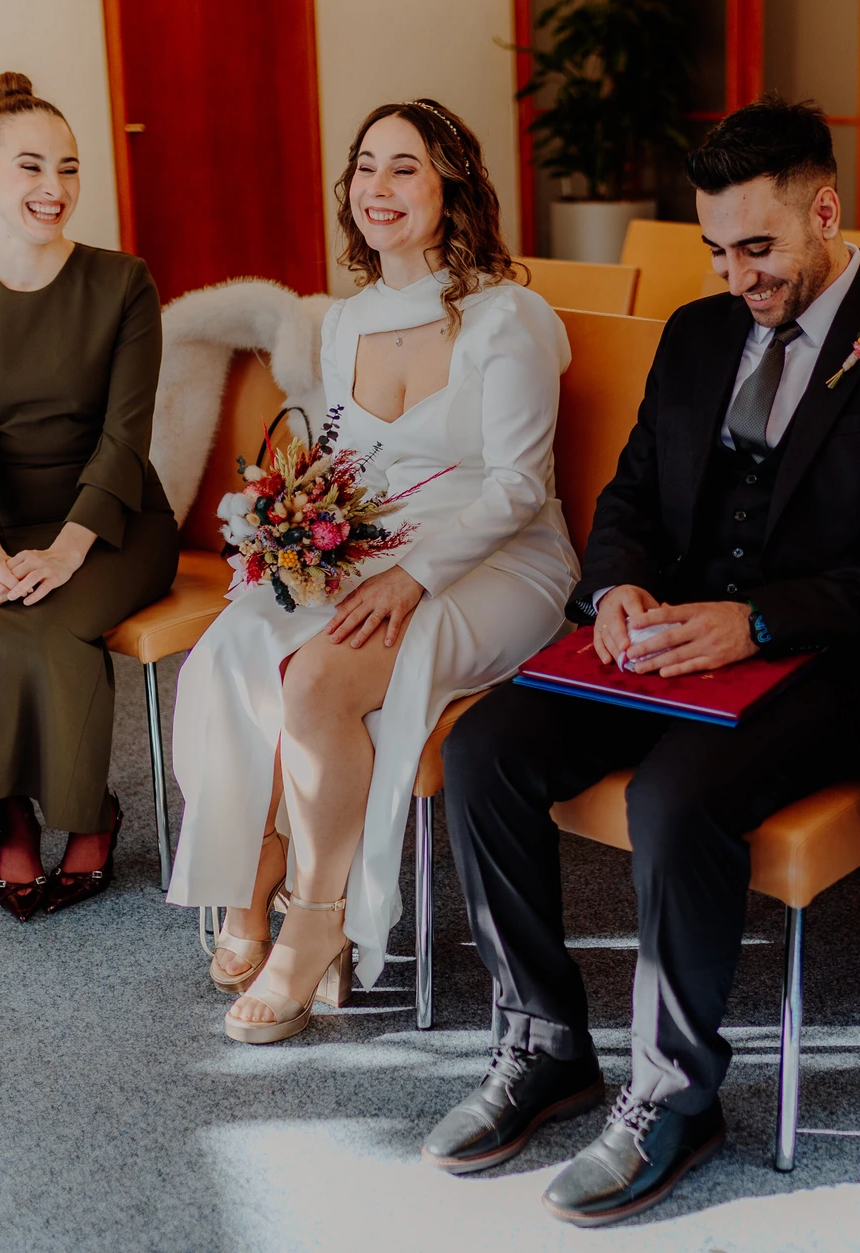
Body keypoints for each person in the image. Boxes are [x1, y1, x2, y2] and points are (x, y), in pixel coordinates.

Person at [425, 96, 860, 1226]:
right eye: (717, 250)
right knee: (486, 748)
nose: (737, 275)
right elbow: (630, 491)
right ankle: (544, 1041)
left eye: (760, 246)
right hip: (671, 633)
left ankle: (676, 1095)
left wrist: (760, 623)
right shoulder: (694, 334)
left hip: (838, 659)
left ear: (823, 212)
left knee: (675, 793)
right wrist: (618, 584)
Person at [164, 99, 579, 1045]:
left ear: (452, 188)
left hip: (501, 559)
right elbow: (349, 463)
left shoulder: (506, 317)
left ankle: (318, 925)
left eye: (405, 168)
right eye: (364, 168)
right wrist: (296, 543)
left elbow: (519, 487)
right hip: (380, 539)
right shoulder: (347, 320)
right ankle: (252, 870)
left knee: (316, 679)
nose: (377, 188)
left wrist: (414, 578)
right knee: (233, 643)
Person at [0, 72, 179, 922]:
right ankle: (15, 819)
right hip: (0, 516)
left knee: (55, 616)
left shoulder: (122, 282)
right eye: (31, 167)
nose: (54, 189)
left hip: (113, 519)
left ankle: (89, 815)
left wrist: (69, 548)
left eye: (68, 168)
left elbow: (124, 437)